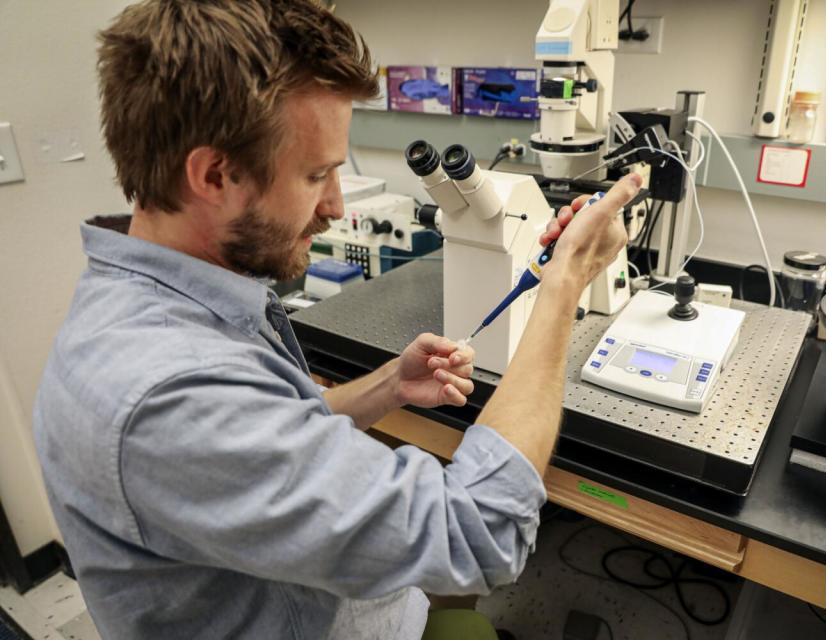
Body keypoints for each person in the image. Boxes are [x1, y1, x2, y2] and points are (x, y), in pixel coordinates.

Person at [32, 1, 644, 638]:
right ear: (214, 174)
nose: (334, 205)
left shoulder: (144, 300)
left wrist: (386, 386)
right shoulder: (168, 394)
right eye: (316, 173)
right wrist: (562, 286)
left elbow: (266, 439)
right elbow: (476, 536)